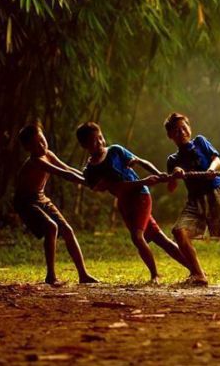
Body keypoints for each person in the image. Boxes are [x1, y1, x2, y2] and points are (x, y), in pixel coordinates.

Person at [76, 122, 189, 284]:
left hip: (140, 196)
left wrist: (159, 175)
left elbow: (141, 161)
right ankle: (195, 269)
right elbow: (115, 187)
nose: (100, 142)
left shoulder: (115, 151)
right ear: (84, 145)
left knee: (137, 237)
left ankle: (155, 275)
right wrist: (144, 181)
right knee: (160, 239)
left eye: (100, 137)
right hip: (125, 202)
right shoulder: (90, 171)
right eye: (94, 141)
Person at [163, 113, 220, 287]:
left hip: (215, 191)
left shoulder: (200, 142)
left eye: (183, 127)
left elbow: (216, 159)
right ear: (170, 136)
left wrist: (211, 169)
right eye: (176, 130)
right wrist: (175, 175)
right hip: (195, 200)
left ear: (189, 127)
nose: (181, 132)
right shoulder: (173, 160)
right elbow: (171, 187)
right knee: (179, 231)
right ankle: (198, 274)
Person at [13, 123, 99, 286]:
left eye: (41, 140)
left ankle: (83, 274)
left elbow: (67, 168)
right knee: (51, 227)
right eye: (35, 144)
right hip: (25, 201)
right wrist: (89, 184)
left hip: (41, 198)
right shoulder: (36, 161)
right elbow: (63, 174)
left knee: (67, 230)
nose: (41, 145)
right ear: (27, 148)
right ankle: (51, 275)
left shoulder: (49, 154)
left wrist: (89, 178)